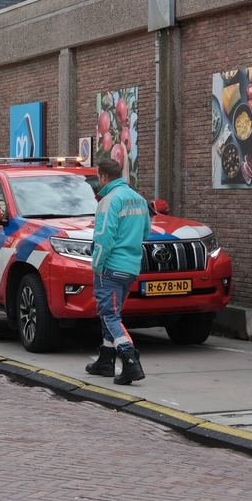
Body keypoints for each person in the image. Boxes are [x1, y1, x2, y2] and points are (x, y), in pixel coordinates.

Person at [85, 157, 152, 385]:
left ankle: (130, 359)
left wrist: (97, 265)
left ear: (103, 177)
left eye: (98, 177)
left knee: (110, 316)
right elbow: (145, 233)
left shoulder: (109, 200)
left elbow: (103, 236)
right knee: (110, 312)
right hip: (131, 267)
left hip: (111, 267)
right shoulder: (139, 199)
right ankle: (105, 360)